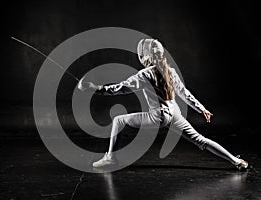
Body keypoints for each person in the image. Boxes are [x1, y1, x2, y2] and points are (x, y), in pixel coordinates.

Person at [78, 39, 248, 170]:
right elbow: (185, 94)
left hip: (157, 116)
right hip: (174, 114)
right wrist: (202, 109)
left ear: (146, 56)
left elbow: (120, 89)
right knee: (201, 140)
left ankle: (110, 158)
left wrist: (96, 89)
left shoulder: (145, 74)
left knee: (118, 120)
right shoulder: (170, 70)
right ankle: (236, 161)